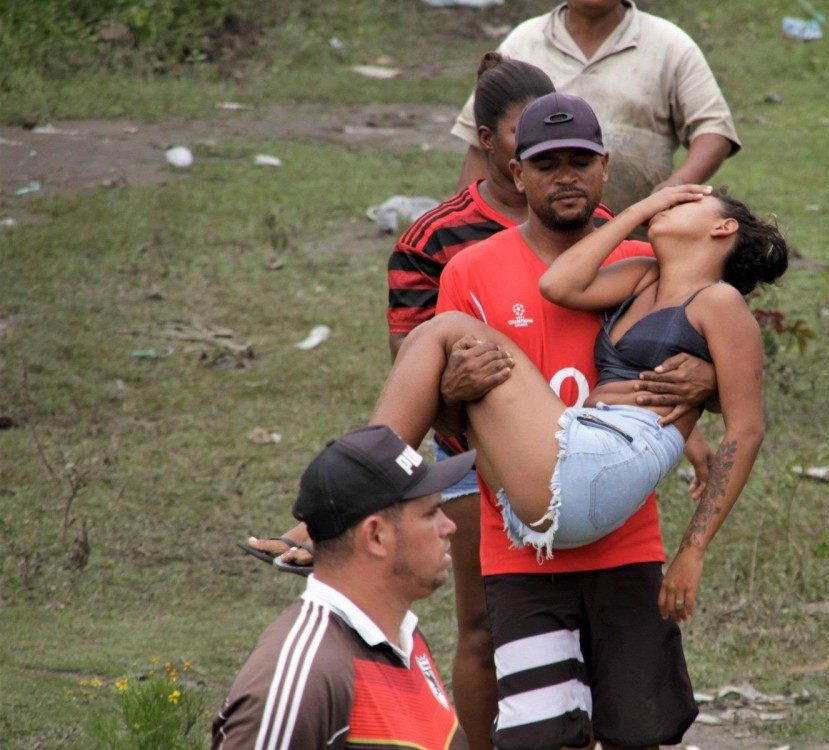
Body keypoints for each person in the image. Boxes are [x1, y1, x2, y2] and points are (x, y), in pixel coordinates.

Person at [428, 92, 782, 750]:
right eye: (547, 163)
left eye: (581, 162)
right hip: (522, 550)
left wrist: (706, 391)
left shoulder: (649, 272)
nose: (565, 175)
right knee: (540, 733)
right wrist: (451, 387)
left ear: (603, 169)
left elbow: (729, 402)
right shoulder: (474, 271)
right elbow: (450, 413)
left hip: (624, 543)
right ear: (515, 173)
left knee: (639, 729)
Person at [245, 53, 554, 750]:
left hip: (571, 445)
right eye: (519, 135)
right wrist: (464, 385)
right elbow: (413, 370)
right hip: (468, 457)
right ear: (484, 141)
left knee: (570, 624)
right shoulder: (432, 239)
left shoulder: (587, 220)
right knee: (484, 628)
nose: (540, 154)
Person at [213, 425, 474, 750]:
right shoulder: (301, 683)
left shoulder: (404, 640)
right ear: (376, 536)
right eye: (431, 513)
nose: (449, 526)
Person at [451, 0, 740, 214]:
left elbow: (714, 129)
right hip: (535, 233)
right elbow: (480, 142)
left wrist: (672, 189)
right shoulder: (524, 41)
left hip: (637, 232)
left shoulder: (669, 44)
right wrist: (467, 219)